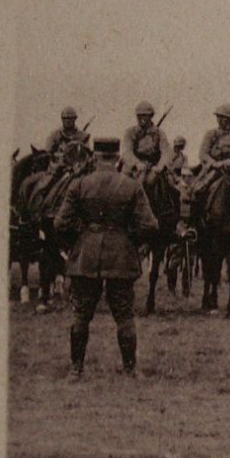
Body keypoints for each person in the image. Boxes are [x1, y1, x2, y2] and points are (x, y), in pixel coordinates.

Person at [54, 136, 159, 379]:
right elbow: (151, 225)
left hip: (85, 256)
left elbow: (61, 223)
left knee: (81, 314)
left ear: (95, 157)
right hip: (120, 256)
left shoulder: (79, 184)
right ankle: (131, 369)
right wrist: (130, 241)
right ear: (118, 158)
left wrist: (77, 244)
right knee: (124, 314)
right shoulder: (132, 186)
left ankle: (76, 369)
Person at [119, 101, 171, 176]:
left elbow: (166, 151)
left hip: (154, 167)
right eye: (138, 115)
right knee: (123, 183)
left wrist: (160, 166)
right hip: (133, 169)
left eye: (144, 115)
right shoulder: (130, 132)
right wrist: (136, 163)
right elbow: (126, 151)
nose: (141, 118)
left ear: (150, 116)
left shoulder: (159, 133)